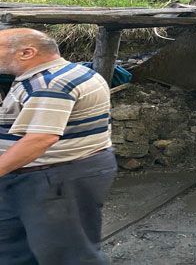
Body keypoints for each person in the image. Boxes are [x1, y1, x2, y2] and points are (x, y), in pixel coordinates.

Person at [0, 28, 117, 265]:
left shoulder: (50, 84)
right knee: (15, 248)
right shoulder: (67, 73)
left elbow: (41, 138)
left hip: (55, 178)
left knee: (68, 253)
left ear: (27, 52)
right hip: (42, 175)